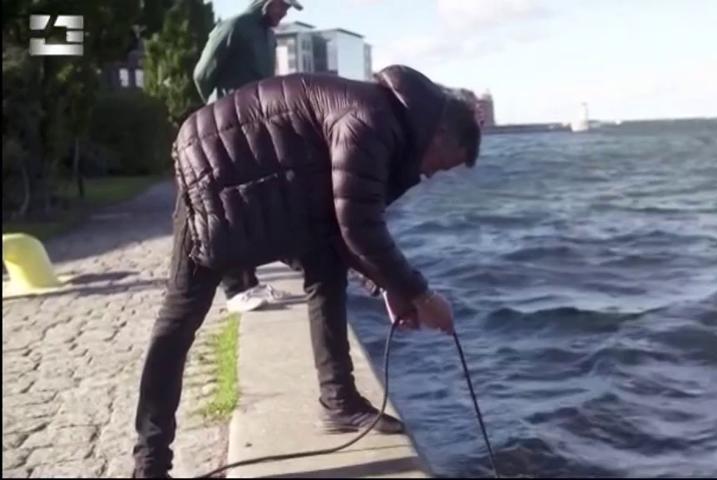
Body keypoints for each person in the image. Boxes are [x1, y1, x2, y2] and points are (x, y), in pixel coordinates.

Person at [131, 64, 482, 478]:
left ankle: (339, 401)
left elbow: (341, 224)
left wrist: (386, 286)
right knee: (178, 321)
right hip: (211, 163)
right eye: (443, 165)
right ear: (440, 134)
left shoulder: (389, 125)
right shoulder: (369, 122)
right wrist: (421, 295)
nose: (432, 174)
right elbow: (358, 226)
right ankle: (150, 464)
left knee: (326, 268)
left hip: (274, 187)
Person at [191, 0, 304, 313]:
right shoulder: (233, 27)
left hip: (254, 130)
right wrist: (217, 113)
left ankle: (250, 283)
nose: (285, 13)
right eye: (283, 6)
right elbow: (202, 74)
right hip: (226, 131)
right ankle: (234, 290)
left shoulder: (269, 36)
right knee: (229, 207)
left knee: (252, 204)